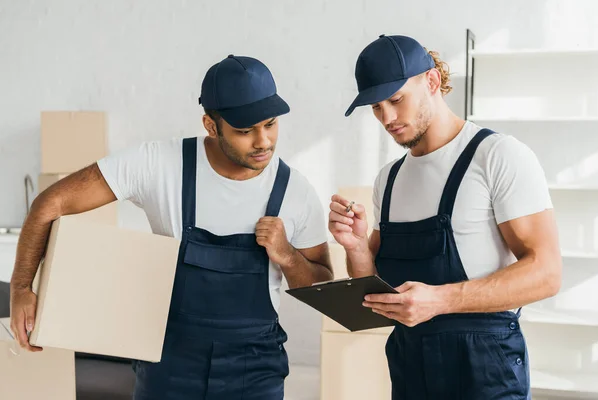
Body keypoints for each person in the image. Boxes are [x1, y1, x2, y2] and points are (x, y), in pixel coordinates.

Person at [10, 54, 332, 399]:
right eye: (244, 130)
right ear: (211, 125)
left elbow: (322, 284)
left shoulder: (295, 191)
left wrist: (286, 256)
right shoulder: (158, 165)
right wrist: (21, 289)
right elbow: (49, 203)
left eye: (270, 124)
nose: (263, 142)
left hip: (254, 370)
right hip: (170, 363)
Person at [329, 34, 562, 399]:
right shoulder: (387, 180)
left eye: (395, 100)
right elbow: (374, 300)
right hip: (410, 366)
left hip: (485, 368)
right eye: (376, 107)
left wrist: (440, 300)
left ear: (432, 81)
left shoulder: (497, 156)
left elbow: (547, 275)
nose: (386, 118)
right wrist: (356, 247)